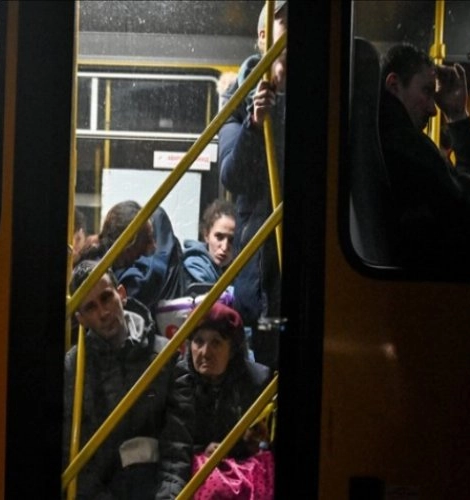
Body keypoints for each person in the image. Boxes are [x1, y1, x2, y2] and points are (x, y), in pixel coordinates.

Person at [64, 260, 193, 499]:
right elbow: (75, 461)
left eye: (106, 298)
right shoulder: (73, 369)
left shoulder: (167, 357)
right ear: (81, 319)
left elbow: (177, 446)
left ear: (121, 294)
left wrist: (168, 496)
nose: (103, 313)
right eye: (91, 308)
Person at [378, 43, 470, 267]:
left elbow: (459, 193)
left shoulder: (393, 138)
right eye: (427, 91)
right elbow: (466, 210)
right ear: (394, 85)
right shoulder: (402, 145)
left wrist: (457, 115)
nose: (434, 109)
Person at [219, 1, 287, 336]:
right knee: (267, 345)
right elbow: (231, 176)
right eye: (285, 20)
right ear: (263, 37)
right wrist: (256, 124)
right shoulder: (239, 97)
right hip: (261, 257)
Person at [178, 302, 274, 500]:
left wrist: (250, 443)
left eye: (216, 343)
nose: (205, 352)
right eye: (198, 341)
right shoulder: (177, 382)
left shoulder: (257, 383)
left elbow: (265, 443)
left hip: (244, 472)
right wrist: (201, 450)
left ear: (232, 350)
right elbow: (172, 443)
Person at [77, 200, 187, 312]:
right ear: (128, 247)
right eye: (147, 241)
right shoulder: (111, 278)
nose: (154, 246)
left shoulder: (112, 259)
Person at [182, 199, 236, 288]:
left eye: (231, 240)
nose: (224, 247)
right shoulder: (194, 267)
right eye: (219, 237)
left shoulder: (234, 270)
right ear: (206, 235)